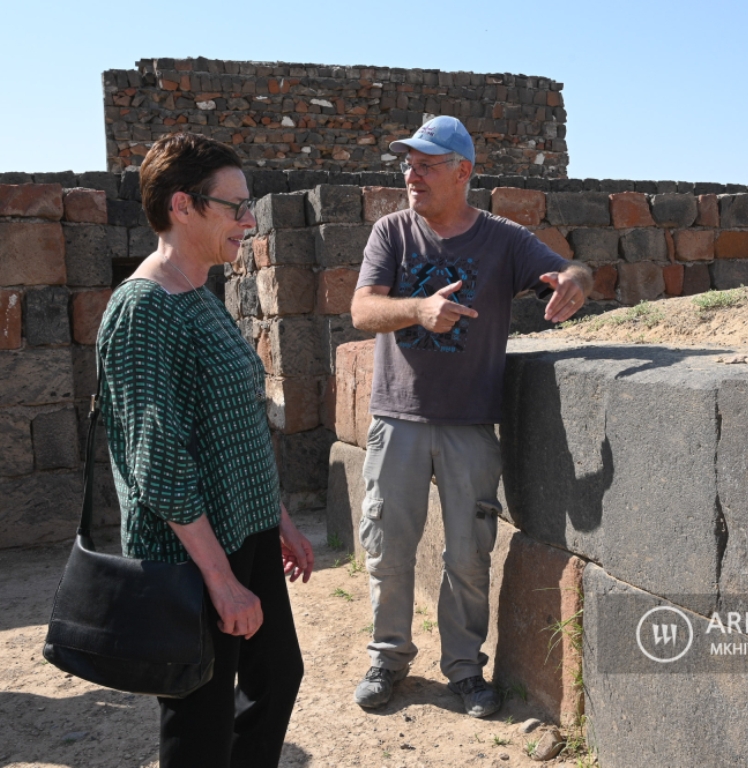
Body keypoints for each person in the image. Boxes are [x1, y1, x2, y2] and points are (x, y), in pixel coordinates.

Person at [349, 116, 592, 717]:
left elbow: (573, 269)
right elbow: (361, 310)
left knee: (467, 555)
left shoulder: (504, 239)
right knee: (388, 548)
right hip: (398, 419)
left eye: (426, 165)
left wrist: (573, 282)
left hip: (469, 425)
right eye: (407, 164)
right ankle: (388, 658)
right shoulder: (392, 233)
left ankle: (463, 669)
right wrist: (418, 310)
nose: (412, 174)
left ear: (463, 172)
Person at [96, 132, 314, 768]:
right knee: (201, 720)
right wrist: (219, 579)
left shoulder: (199, 294)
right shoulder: (144, 309)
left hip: (245, 532)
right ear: (182, 205)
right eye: (236, 207)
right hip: (189, 557)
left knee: (277, 677)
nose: (249, 220)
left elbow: (235, 427)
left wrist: (280, 520)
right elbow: (156, 460)